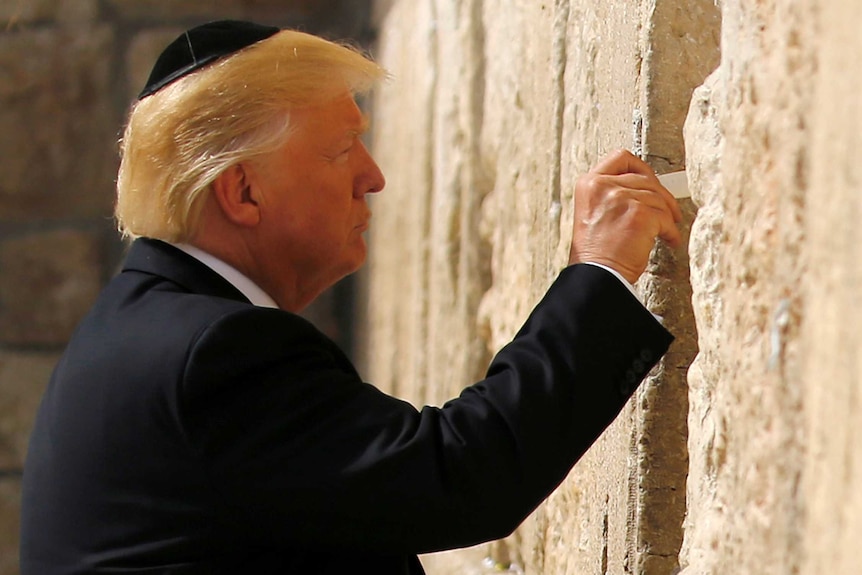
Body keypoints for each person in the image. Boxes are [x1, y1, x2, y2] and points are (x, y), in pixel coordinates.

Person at [20, 20, 682, 575]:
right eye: (342, 149)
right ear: (242, 192)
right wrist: (600, 270)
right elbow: (458, 474)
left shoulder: (140, 334)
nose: (374, 176)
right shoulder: (209, 355)